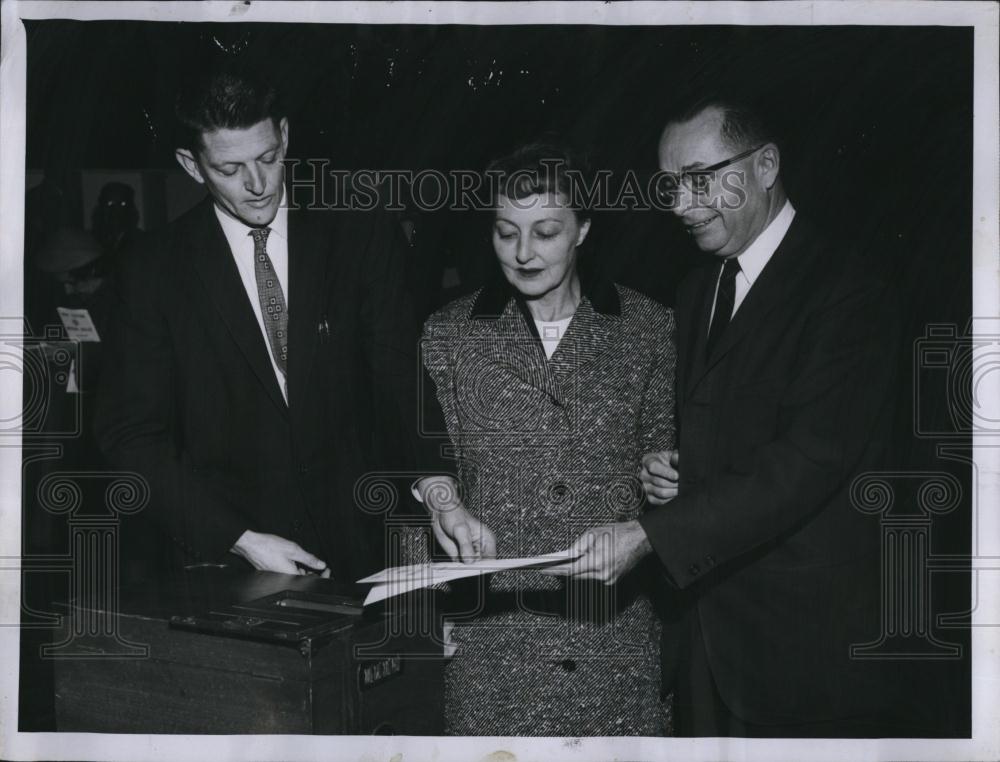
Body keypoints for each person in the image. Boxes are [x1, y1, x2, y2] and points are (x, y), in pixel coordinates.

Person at [556, 95, 911, 736]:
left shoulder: (849, 290)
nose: (680, 206)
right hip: (706, 647)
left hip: (806, 655)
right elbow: (732, 437)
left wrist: (651, 535)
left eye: (699, 179)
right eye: (669, 186)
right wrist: (676, 471)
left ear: (766, 164)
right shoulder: (700, 288)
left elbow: (808, 461)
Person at [94, 64, 434, 581]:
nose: (256, 185)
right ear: (191, 165)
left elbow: (400, 384)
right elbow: (129, 434)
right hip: (228, 559)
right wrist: (238, 539)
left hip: (359, 547)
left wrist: (437, 486)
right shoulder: (150, 270)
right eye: (229, 170)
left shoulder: (360, 237)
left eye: (268, 158)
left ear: (285, 135)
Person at [416, 140, 677, 736]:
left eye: (546, 232)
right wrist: (425, 612)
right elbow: (425, 473)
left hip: (618, 648)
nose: (524, 253)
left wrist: (670, 478)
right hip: (490, 652)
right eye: (506, 233)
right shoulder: (448, 337)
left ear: (583, 229)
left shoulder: (650, 329)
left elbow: (671, 483)